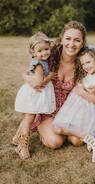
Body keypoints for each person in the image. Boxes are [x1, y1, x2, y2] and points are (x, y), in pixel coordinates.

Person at [18, 21, 87, 153]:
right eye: (68, 39)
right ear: (61, 39)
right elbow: (30, 72)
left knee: (77, 141)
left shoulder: (84, 62)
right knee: (55, 142)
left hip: (69, 110)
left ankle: (62, 130)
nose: (71, 44)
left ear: (82, 43)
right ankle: (40, 127)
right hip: (47, 108)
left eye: (77, 40)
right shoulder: (48, 55)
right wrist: (26, 77)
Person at [52, 46, 95, 163]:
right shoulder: (89, 75)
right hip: (76, 110)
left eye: (89, 62)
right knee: (57, 128)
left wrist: (82, 92)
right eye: (83, 64)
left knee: (58, 128)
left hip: (84, 111)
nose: (86, 66)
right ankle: (91, 139)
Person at [13, 32, 56, 160]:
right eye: (40, 50)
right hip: (34, 94)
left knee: (29, 116)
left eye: (46, 49)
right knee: (29, 118)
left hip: (35, 94)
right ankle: (22, 145)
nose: (44, 53)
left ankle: (17, 138)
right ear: (33, 52)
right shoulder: (39, 65)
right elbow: (38, 83)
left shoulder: (39, 60)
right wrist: (49, 77)